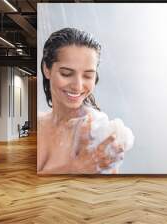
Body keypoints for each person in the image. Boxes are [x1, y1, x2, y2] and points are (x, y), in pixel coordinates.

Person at [37, 28, 125, 174]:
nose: (78, 86)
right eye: (66, 73)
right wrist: (74, 168)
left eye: (88, 75)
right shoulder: (38, 122)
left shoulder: (96, 131)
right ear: (47, 69)